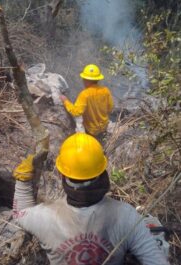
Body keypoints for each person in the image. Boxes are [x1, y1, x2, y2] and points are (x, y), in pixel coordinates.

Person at [12, 133, 169, 264]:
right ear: (102, 173)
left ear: (62, 175)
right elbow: (157, 261)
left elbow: (19, 213)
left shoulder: (42, 217)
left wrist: (23, 179)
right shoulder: (125, 216)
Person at [60, 64, 114, 144]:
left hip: (91, 130)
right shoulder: (106, 91)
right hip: (104, 127)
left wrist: (65, 101)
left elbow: (76, 112)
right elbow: (110, 108)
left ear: (86, 80)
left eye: (83, 79)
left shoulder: (84, 94)